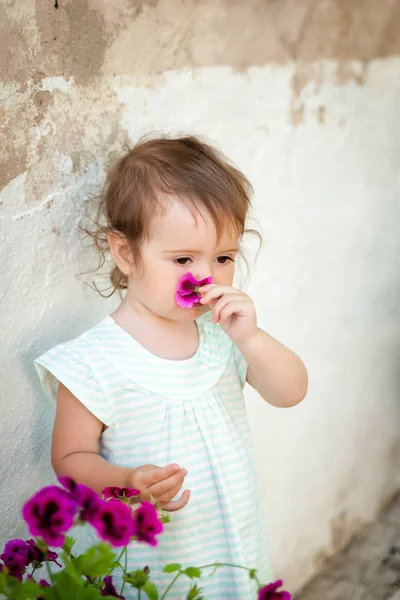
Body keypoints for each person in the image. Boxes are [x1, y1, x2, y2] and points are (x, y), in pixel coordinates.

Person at [34, 135, 308, 598]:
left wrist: (253, 338)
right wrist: (126, 482)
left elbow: (291, 392)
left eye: (223, 258)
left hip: (235, 549)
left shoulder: (223, 336)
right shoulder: (92, 362)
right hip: (159, 566)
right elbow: (70, 459)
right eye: (183, 259)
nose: (205, 276)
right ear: (125, 253)